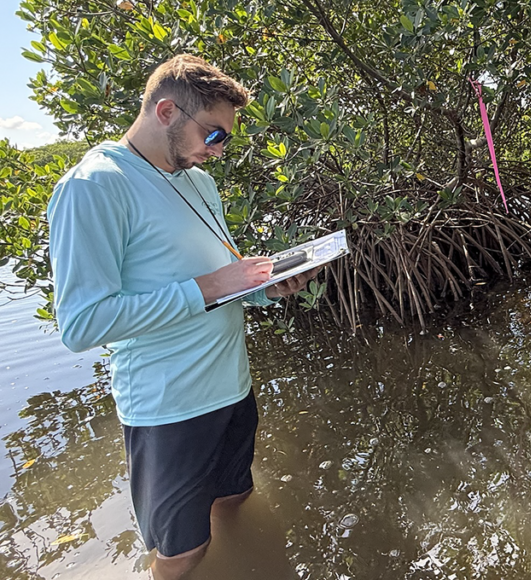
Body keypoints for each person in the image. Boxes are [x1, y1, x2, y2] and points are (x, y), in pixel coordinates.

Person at [47, 54, 319, 579]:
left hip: (232, 390)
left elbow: (223, 277)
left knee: (235, 499)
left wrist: (267, 287)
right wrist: (211, 285)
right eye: (213, 135)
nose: (217, 151)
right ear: (166, 111)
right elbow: (82, 324)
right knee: (182, 552)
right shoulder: (94, 186)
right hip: (169, 409)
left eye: (224, 140)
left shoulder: (199, 183)